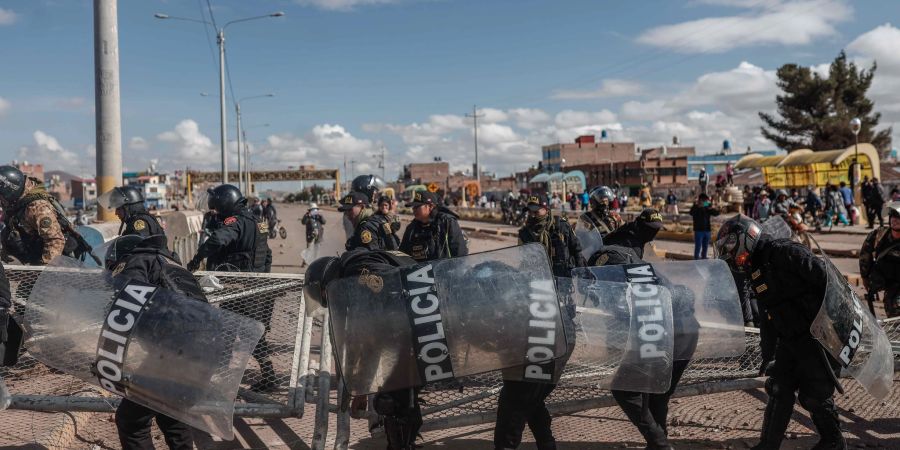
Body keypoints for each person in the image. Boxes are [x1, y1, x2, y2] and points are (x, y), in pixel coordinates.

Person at [716, 214, 846, 450]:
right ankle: (767, 446)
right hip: (789, 340)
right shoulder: (755, 267)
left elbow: (831, 284)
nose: (730, 252)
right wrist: (768, 355)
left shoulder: (786, 252)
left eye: (732, 245)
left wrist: (835, 331)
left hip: (817, 338)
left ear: (748, 237)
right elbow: (768, 314)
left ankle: (834, 442)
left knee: (814, 397)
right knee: (778, 388)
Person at [305, 248, 424, 449]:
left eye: (325, 293)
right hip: (422, 321)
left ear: (329, 282)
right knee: (403, 397)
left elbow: (372, 340)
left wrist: (360, 390)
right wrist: (361, 391)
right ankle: (406, 443)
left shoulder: (357, 274)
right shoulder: (361, 263)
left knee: (391, 400)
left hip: (417, 328)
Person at [498, 194, 583, 450]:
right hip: (538, 300)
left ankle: (544, 441)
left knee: (530, 391)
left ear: (547, 208)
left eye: (538, 209)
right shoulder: (525, 232)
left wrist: (583, 278)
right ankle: (546, 442)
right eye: (531, 209)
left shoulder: (561, 227)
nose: (534, 213)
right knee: (530, 389)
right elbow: (523, 263)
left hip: (562, 297)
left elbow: (577, 253)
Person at [104, 234, 202, 450]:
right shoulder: (168, 262)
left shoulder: (138, 261)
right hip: (202, 350)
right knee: (171, 416)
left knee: (131, 422)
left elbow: (126, 300)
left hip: (172, 353)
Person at [593, 251, 699, 450]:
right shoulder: (643, 270)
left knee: (623, 389)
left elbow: (624, 318)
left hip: (661, 335)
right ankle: (659, 442)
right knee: (658, 391)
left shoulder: (623, 283)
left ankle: (659, 443)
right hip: (689, 331)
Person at [186, 185, 275, 390]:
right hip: (254, 286)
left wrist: (197, 258)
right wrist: (264, 280)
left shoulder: (236, 222)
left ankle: (261, 377)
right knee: (239, 330)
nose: (215, 212)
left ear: (226, 204)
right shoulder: (257, 222)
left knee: (238, 330)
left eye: (217, 208)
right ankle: (226, 375)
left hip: (239, 287)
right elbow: (267, 254)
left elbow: (217, 239)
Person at [0, 165, 90, 265]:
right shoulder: (15, 205)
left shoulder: (37, 208)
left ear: (10, 191)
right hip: (31, 260)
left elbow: (55, 240)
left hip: (55, 263)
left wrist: (43, 273)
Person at [400, 191, 467, 262]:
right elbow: (403, 253)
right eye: (413, 207)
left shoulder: (447, 222)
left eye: (417, 207)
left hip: (445, 271)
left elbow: (460, 253)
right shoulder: (412, 228)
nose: (413, 210)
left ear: (430, 206)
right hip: (420, 272)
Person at [859, 202, 900, 318]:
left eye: (898, 217)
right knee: (892, 314)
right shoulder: (879, 235)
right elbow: (864, 255)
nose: (895, 220)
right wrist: (865, 277)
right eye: (893, 216)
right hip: (885, 281)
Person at [99, 186, 165, 238]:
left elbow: (141, 252)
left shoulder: (140, 223)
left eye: (119, 209)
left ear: (128, 208)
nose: (116, 213)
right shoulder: (142, 219)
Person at [690, 193, 719, 260]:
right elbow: (691, 213)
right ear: (700, 200)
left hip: (707, 230)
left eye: (706, 200)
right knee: (698, 247)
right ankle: (696, 261)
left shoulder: (707, 206)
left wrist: (714, 208)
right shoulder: (695, 207)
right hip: (698, 231)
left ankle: (704, 259)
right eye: (705, 200)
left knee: (705, 247)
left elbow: (716, 213)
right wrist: (697, 206)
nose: (706, 202)